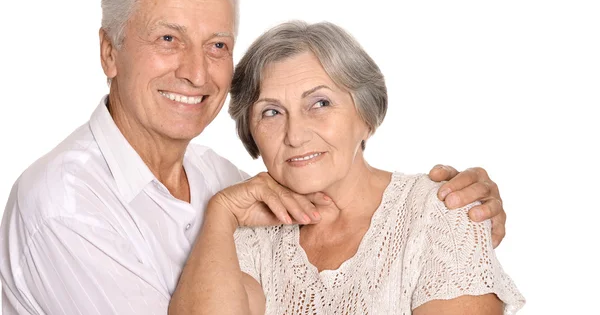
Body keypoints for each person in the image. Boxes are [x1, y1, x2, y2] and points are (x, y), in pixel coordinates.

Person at [1, 0, 507, 314]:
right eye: (168, 39)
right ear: (110, 52)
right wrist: (221, 215)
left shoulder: (222, 178)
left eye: (217, 45)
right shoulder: (64, 206)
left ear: (368, 114)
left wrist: (460, 219)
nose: (197, 72)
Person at [169, 21, 525, 314]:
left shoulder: (441, 213)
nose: (295, 135)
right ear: (251, 134)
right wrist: (221, 212)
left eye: (320, 103)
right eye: (271, 112)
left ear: (366, 118)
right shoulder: (247, 239)